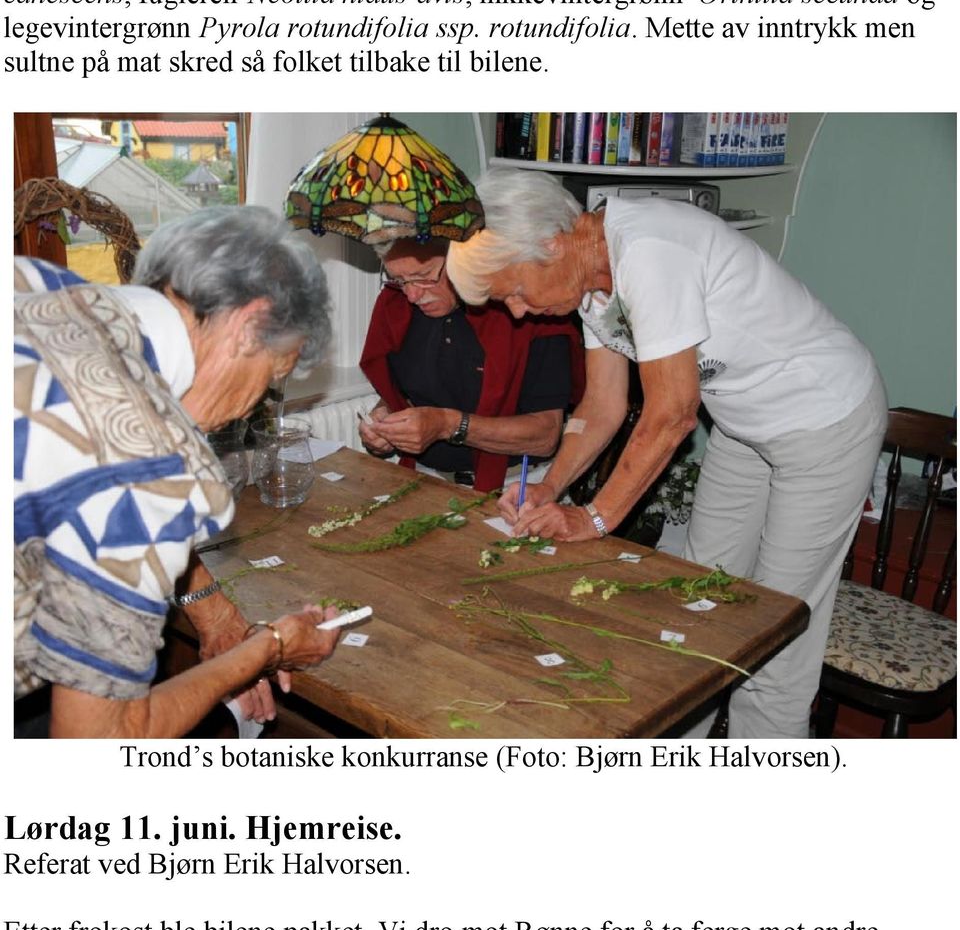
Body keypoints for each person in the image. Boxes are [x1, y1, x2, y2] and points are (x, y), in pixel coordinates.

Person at [447, 172, 888, 740]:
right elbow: (602, 405)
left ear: (551, 244)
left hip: (824, 418)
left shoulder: (649, 253)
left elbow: (673, 413)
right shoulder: (591, 281)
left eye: (513, 290)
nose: (515, 310)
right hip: (745, 423)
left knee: (775, 627)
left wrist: (596, 517)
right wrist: (550, 487)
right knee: (697, 602)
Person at [15, 206, 341, 740]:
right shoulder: (149, 461)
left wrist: (209, 609)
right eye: (271, 375)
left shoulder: (39, 283)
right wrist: (271, 646)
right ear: (247, 326)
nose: (248, 407)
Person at [357, 236, 584, 490]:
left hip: (517, 487)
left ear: (460, 260)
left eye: (423, 276)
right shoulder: (395, 307)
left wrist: (447, 424)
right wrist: (386, 419)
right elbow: (401, 393)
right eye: (400, 281)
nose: (412, 295)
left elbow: (545, 436)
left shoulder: (526, 309)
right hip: (424, 478)